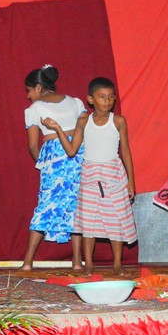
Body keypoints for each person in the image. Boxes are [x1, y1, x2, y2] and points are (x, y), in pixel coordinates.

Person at [43, 76, 136, 272]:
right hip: (90, 174)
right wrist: (58, 129)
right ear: (91, 99)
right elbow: (71, 150)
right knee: (88, 223)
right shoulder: (84, 121)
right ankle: (89, 265)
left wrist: (131, 181)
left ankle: (117, 264)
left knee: (115, 219)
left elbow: (126, 151)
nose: (107, 101)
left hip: (113, 174)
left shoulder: (118, 121)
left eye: (111, 97)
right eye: (102, 97)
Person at [18, 64, 86, 270]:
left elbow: (32, 145)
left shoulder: (34, 109)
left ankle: (28, 261)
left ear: (38, 88)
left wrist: (44, 164)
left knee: (45, 205)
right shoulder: (76, 102)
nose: (28, 96)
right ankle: (77, 261)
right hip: (78, 155)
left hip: (54, 157)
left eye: (29, 90)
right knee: (76, 206)